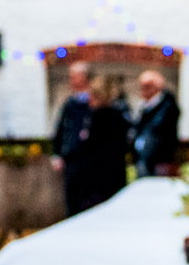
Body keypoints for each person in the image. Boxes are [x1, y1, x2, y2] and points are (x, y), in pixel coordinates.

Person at [50, 61, 130, 216]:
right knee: (73, 205)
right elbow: (61, 130)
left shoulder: (103, 113)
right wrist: (58, 153)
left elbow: (98, 144)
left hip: (97, 171)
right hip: (75, 161)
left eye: (74, 76)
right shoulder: (70, 104)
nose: (71, 80)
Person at [132, 69, 181, 178]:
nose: (143, 90)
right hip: (143, 158)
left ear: (157, 87)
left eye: (147, 86)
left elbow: (157, 129)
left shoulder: (167, 106)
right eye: (142, 87)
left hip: (161, 159)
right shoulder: (144, 106)